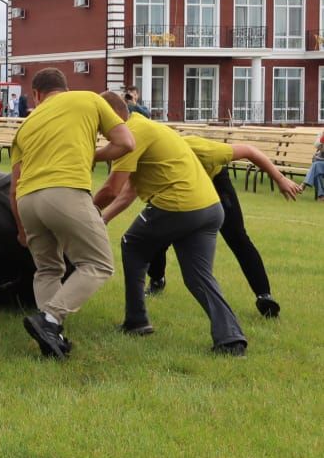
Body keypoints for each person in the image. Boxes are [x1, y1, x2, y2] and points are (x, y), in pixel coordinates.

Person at [92, 94, 253, 355]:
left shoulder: (131, 135)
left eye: (99, 122)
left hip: (178, 206)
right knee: (198, 276)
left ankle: (136, 320)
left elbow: (112, 189)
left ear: (111, 114)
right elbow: (130, 190)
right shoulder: (147, 127)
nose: (99, 130)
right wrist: (105, 218)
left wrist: (85, 213)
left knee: (131, 244)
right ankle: (231, 339)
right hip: (210, 208)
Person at [10, 69, 135, 359]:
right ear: (65, 88)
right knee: (98, 263)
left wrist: (20, 228)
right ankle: (50, 319)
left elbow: (13, 186)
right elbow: (126, 142)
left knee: (48, 269)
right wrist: (92, 154)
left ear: (37, 95)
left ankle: (52, 337)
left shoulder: (26, 125)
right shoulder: (88, 99)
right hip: (65, 191)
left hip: (28, 201)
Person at [141, 131, 300, 318]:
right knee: (158, 234)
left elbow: (250, 151)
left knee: (237, 237)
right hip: (182, 190)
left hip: (215, 182)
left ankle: (264, 296)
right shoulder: (154, 161)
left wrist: (280, 179)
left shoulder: (199, 149)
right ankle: (157, 279)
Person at [306, 131, 324, 199]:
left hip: (320, 163)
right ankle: (321, 196)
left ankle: (304, 184)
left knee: (316, 166)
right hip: (321, 163)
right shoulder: (321, 133)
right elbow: (316, 145)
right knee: (317, 171)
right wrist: (323, 137)